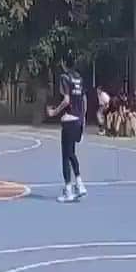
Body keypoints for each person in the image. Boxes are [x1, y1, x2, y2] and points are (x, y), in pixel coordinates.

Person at [47, 55, 88, 203]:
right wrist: (83, 119)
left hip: (68, 119)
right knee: (72, 153)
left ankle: (69, 190)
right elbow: (84, 99)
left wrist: (55, 112)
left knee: (65, 156)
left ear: (64, 63)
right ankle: (79, 183)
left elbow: (66, 100)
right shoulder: (79, 78)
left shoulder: (65, 78)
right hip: (78, 119)